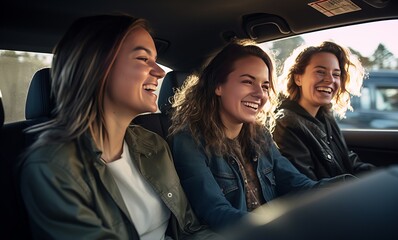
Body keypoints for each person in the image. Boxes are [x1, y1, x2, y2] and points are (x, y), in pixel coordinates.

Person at [18, 14, 219, 240]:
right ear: (97, 67)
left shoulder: (152, 144)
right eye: (143, 59)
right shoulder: (51, 166)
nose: (160, 72)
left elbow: (189, 229)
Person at [168, 39, 355, 231]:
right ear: (218, 85)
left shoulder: (260, 136)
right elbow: (215, 211)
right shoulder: (189, 140)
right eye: (248, 81)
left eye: (265, 86)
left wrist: (349, 185)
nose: (260, 94)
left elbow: (298, 185)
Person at [273, 41, 375, 181]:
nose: (330, 80)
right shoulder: (286, 124)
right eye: (320, 72)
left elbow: (346, 160)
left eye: (336, 74)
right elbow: (306, 187)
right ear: (298, 78)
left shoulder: (325, 116)